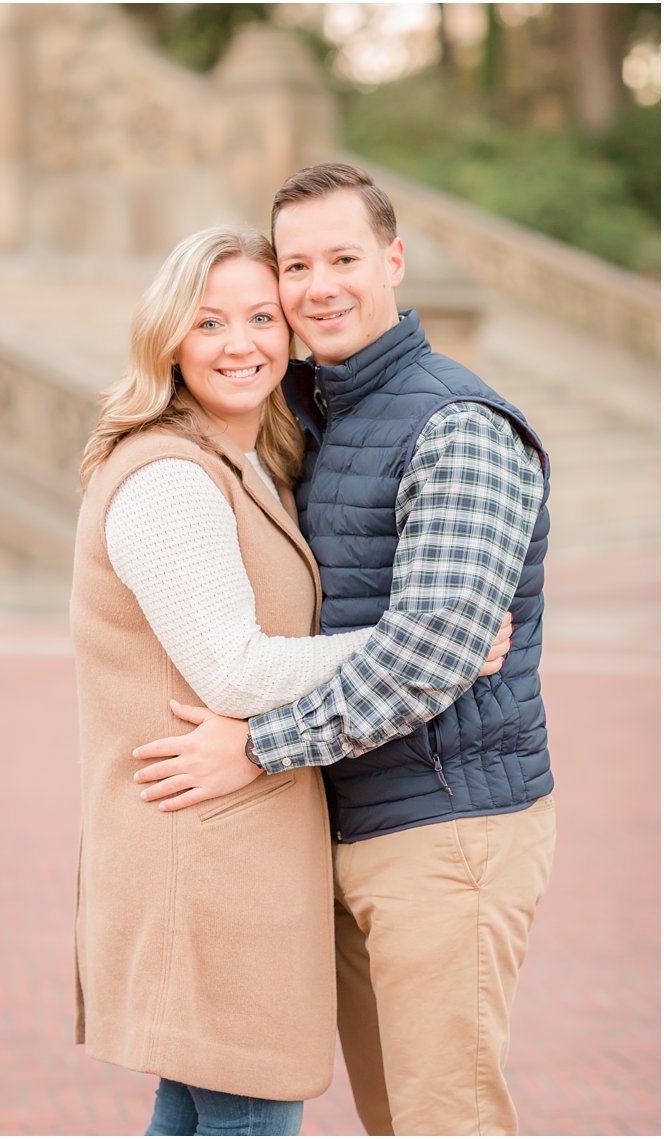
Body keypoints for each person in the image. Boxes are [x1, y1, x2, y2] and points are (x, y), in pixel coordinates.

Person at [132, 163, 555, 1136]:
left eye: (342, 258)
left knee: (442, 1120)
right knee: (388, 1117)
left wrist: (254, 743)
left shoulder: (455, 425)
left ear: (392, 260)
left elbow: (431, 654)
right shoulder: (309, 411)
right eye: (295, 263)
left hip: (446, 832)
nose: (317, 285)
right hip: (340, 819)